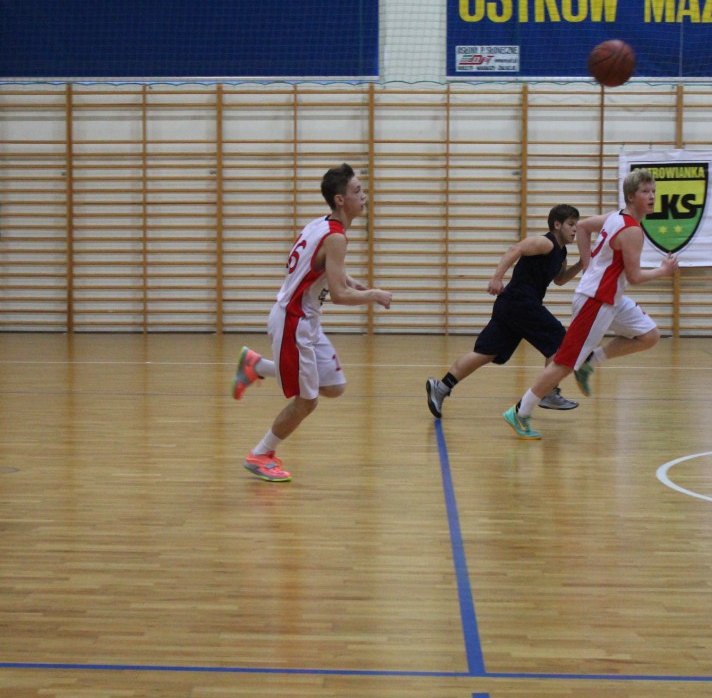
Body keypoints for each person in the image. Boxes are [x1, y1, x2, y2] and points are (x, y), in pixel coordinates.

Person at [231, 163, 392, 481]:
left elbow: (317, 265)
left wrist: (349, 280)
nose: (364, 195)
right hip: (294, 322)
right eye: (357, 190)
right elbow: (339, 296)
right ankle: (260, 454)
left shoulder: (322, 224)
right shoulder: (336, 238)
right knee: (307, 402)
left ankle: (255, 366)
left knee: (334, 386)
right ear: (340, 200)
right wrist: (373, 294)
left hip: (306, 319)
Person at [503, 169, 678, 439]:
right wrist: (663, 271)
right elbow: (634, 277)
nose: (652, 196)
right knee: (563, 363)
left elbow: (583, 227)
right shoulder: (632, 231)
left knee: (649, 335)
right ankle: (520, 411)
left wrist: (589, 265)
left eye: (653, 191)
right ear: (632, 197)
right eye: (645, 192)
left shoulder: (615, 217)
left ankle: (590, 361)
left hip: (610, 298)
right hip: (596, 302)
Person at [425, 204, 584, 419]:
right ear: (557, 225)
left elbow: (560, 279)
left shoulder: (561, 253)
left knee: (485, 353)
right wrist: (497, 278)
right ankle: (548, 392)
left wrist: (582, 263)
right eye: (571, 224)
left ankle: (441, 387)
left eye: (576, 225)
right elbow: (514, 249)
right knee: (560, 341)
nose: (575, 229)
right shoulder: (545, 242)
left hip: (512, 306)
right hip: (521, 302)